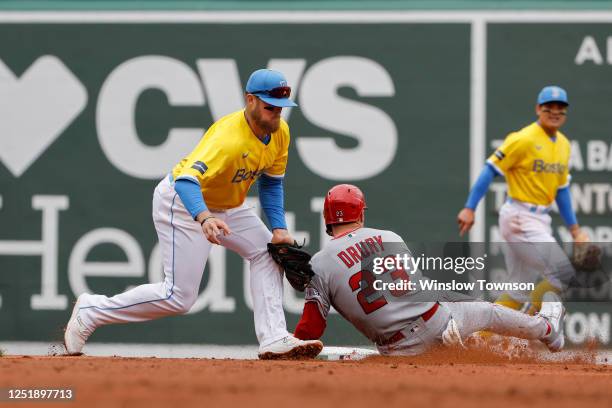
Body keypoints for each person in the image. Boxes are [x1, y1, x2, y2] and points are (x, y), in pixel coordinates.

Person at [64, 69, 323, 360]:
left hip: (226, 204)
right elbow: (187, 180)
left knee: (267, 252)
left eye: (282, 109)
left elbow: (272, 182)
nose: (276, 114)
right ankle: (91, 311)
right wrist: (204, 217)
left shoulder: (279, 132)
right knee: (179, 297)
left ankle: (274, 337)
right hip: (183, 202)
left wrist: (278, 227)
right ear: (250, 100)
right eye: (270, 107)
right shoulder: (228, 139)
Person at [293, 184, 565, 356]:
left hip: (398, 348)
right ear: (361, 214)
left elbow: (310, 331)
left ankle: (456, 345)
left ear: (328, 221)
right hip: (435, 319)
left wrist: (289, 340)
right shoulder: (388, 235)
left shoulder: (318, 264)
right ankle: (547, 329)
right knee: (486, 311)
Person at [457, 86, 589, 314]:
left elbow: (562, 189)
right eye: (549, 107)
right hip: (520, 216)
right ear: (538, 109)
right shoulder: (523, 139)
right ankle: (529, 326)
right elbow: (490, 169)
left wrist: (575, 230)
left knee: (518, 289)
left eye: (561, 108)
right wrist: (470, 208)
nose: (555, 112)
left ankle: (482, 337)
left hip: (538, 218)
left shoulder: (564, 144)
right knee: (562, 275)